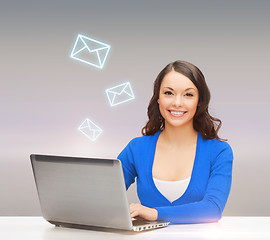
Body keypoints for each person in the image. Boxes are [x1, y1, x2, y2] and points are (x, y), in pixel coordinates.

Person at [117, 60, 233, 224]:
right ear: (158, 98)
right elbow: (105, 197)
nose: (177, 103)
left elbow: (212, 209)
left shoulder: (219, 151)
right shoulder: (136, 148)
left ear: (199, 101)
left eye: (188, 94)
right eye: (169, 93)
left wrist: (154, 213)